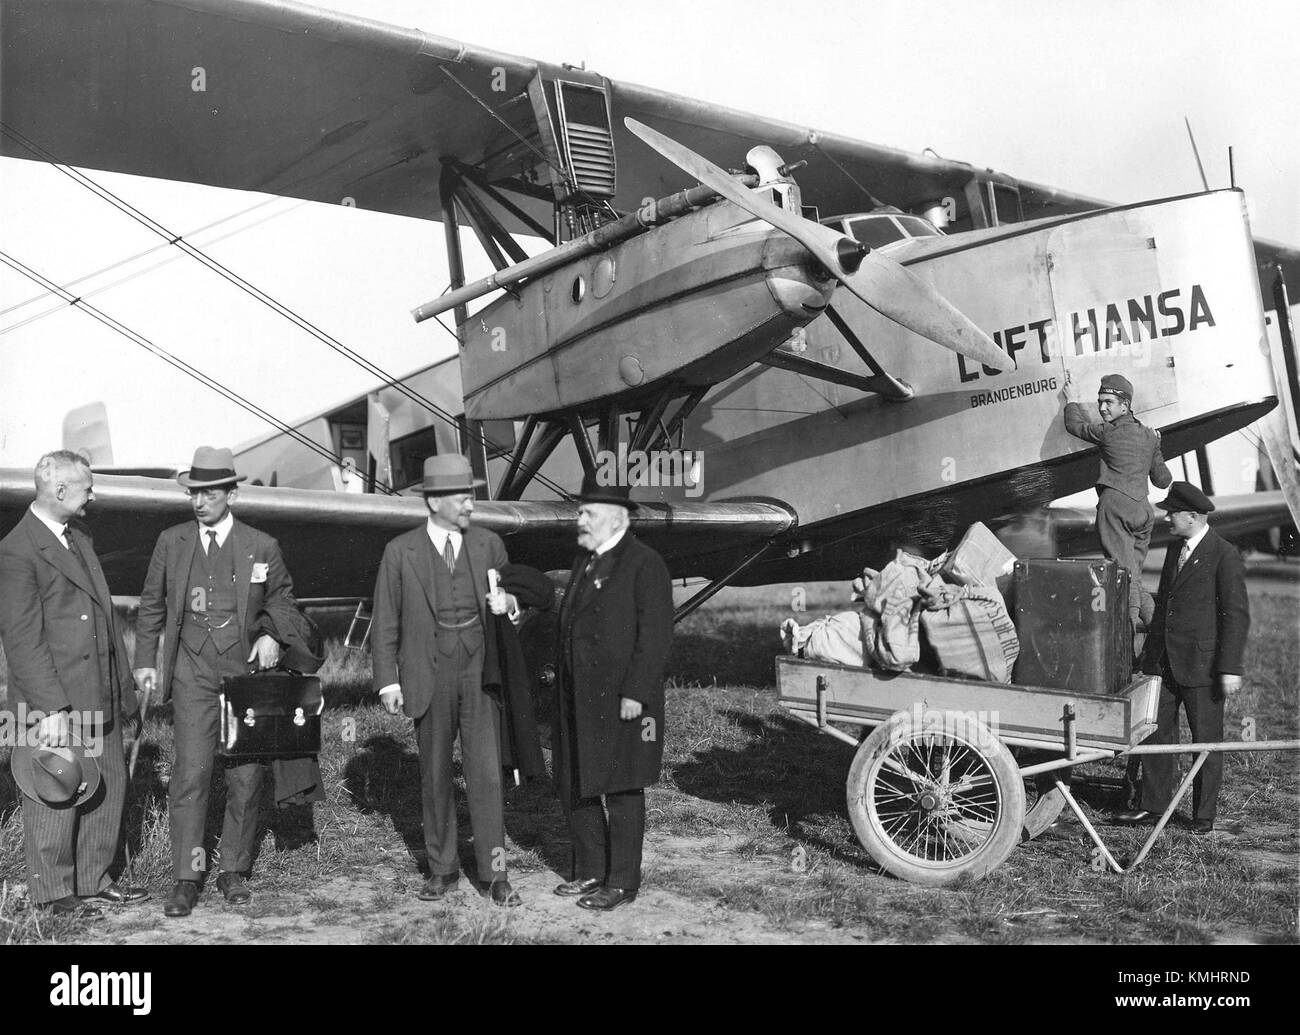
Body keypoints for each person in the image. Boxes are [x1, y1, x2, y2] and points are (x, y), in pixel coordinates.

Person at [133, 446, 298, 917]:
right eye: (193, 493)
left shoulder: (261, 545)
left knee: (245, 776)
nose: (198, 501)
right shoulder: (172, 541)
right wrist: (146, 660)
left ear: (231, 492)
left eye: (208, 492)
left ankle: (233, 870)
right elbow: (151, 606)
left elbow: (283, 601)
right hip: (191, 671)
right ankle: (187, 876)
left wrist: (269, 635)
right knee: (192, 772)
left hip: (244, 673)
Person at [370, 455, 522, 907]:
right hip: (426, 673)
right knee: (434, 775)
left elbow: (510, 603)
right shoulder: (400, 551)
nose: (470, 505)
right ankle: (443, 869)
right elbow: (385, 623)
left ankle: (496, 873)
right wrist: (387, 682)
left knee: (486, 776)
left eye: (471, 496)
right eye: (462, 497)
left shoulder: (490, 544)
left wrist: (510, 604)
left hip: (479, 673)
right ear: (434, 501)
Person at [0, 450, 145, 916]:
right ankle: (53, 893)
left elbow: (103, 616)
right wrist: (51, 712)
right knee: (54, 791)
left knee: (108, 787)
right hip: (55, 702)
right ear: (60, 491)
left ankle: (93, 879)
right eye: (87, 487)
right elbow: (23, 641)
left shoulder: (78, 537)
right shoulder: (16, 550)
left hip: (99, 690)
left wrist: (124, 686)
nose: (93, 495)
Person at [553, 476, 673, 911]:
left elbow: (656, 637)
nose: (579, 519)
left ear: (615, 517)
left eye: (587, 512)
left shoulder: (644, 563)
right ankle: (590, 869)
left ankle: (622, 881)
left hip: (622, 700)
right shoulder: (586, 559)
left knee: (622, 788)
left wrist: (636, 693)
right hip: (578, 697)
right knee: (577, 785)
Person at [1117, 482, 1249, 834]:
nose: (1166, 517)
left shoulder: (1224, 554)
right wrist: (1149, 657)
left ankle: (1202, 817)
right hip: (1165, 664)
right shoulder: (1177, 547)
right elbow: (1166, 608)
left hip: (1203, 667)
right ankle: (1153, 805)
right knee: (1157, 734)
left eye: (1172, 512)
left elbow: (1236, 615)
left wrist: (1230, 667)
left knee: (1206, 742)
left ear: (1192, 516)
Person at [1063, 371, 1172, 633]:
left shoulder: (1107, 433)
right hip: (1144, 513)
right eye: (1100, 402)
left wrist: (1071, 400)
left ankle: (1130, 635)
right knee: (1133, 577)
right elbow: (1163, 480)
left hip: (1116, 509)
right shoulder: (1148, 435)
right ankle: (1163, 630)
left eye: (1108, 403)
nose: (1102, 408)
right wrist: (1157, 446)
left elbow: (1074, 426)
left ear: (1125, 406)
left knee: (1124, 577)